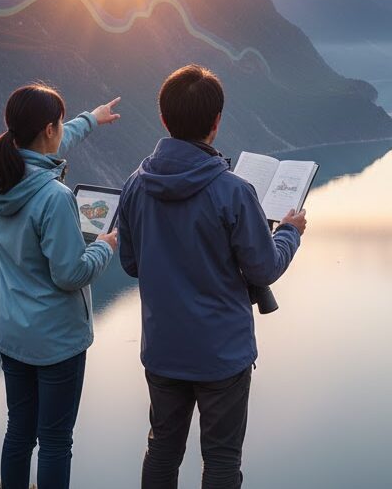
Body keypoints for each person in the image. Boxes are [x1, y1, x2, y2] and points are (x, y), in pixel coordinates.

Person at [117, 64, 307, 489]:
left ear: (164, 118)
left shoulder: (135, 184)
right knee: (221, 460)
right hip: (222, 354)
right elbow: (264, 268)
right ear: (217, 122)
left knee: (162, 448)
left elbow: (131, 263)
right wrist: (289, 233)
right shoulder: (234, 191)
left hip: (164, 346)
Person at [0, 83, 122, 489]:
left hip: (12, 332)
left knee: (19, 432)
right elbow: (69, 274)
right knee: (56, 441)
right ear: (47, 128)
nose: (61, 130)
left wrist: (91, 119)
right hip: (56, 339)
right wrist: (105, 247)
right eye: (60, 123)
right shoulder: (55, 198)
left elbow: (47, 147)